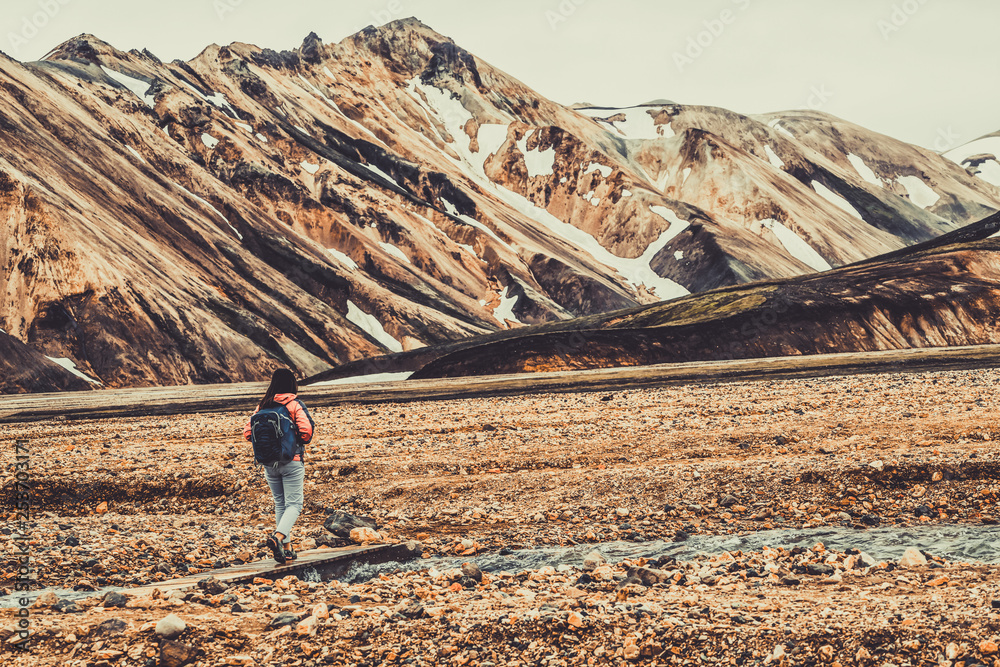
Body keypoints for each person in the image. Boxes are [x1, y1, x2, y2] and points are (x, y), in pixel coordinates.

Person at [243, 368, 315, 564]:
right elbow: (307, 432)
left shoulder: (262, 406)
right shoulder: (294, 404)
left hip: (268, 463)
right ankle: (278, 537)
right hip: (291, 461)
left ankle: (287, 549)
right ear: (292, 384)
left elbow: (247, 433)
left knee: (280, 504)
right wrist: (293, 440)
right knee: (294, 504)